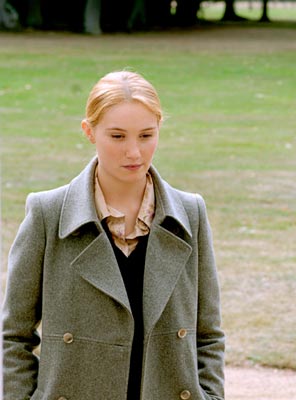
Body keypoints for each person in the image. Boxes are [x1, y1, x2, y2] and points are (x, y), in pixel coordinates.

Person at [2, 71, 225, 400]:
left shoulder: (190, 213)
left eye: (146, 135)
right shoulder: (47, 214)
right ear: (89, 132)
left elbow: (208, 334)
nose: (134, 152)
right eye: (118, 136)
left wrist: (211, 395)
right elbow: (14, 336)